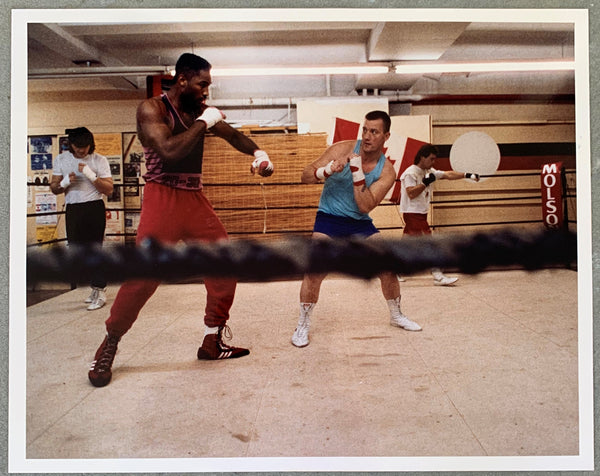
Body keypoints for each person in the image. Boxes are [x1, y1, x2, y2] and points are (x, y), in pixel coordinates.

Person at [88, 53, 274, 387]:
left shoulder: (200, 110)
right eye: (202, 84)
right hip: (163, 198)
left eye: (209, 86)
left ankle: (212, 340)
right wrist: (206, 122)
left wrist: (259, 154)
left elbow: (233, 136)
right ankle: (109, 344)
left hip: (194, 199)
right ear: (183, 79)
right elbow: (170, 151)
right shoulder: (152, 110)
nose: (206, 92)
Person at [291, 110, 421, 348]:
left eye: (374, 131)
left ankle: (396, 315)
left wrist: (356, 171)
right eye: (365, 129)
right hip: (329, 218)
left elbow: (364, 207)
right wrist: (328, 169)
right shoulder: (342, 148)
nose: (368, 136)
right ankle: (303, 324)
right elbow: (305, 176)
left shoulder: (387, 171)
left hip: (358, 222)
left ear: (386, 136)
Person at [50, 127, 113, 310]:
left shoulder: (98, 160)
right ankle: (95, 286)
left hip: (93, 207)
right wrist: (64, 182)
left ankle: (99, 289)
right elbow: (54, 188)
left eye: (85, 147)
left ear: (90, 145)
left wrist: (90, 175)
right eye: (78, 147)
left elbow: (108, 189)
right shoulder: (61, 159)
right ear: (71, 145)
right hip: (73, 208)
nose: (81, 150)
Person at [399, 143, 480, 285]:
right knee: (429, 243)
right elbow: (411, 193)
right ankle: (437, 275)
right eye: (431, 159)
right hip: (413, 213)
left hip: (421, 213)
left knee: (407, 244)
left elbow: (448, 174)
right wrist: (424, 184)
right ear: (422, 157)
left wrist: (468, 175)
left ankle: (394, 269)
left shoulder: (428, 171)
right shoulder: (410, 173)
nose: (433, 162)